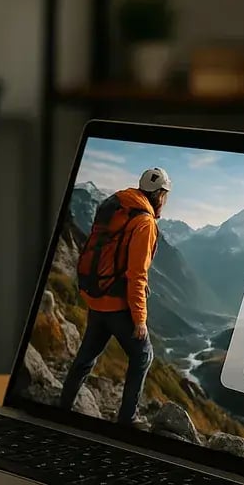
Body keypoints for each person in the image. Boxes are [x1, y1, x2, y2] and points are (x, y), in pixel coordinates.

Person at [59, 167, 170, 425]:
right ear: (160, 195)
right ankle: (127, 421)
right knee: (143, 355)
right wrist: (140, 319)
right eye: (165, 195)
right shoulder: (144, 222)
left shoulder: (119, 206)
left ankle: (62, 407)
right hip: (118, 305)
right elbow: (136, 275)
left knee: (86, 357)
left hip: (97, 296)